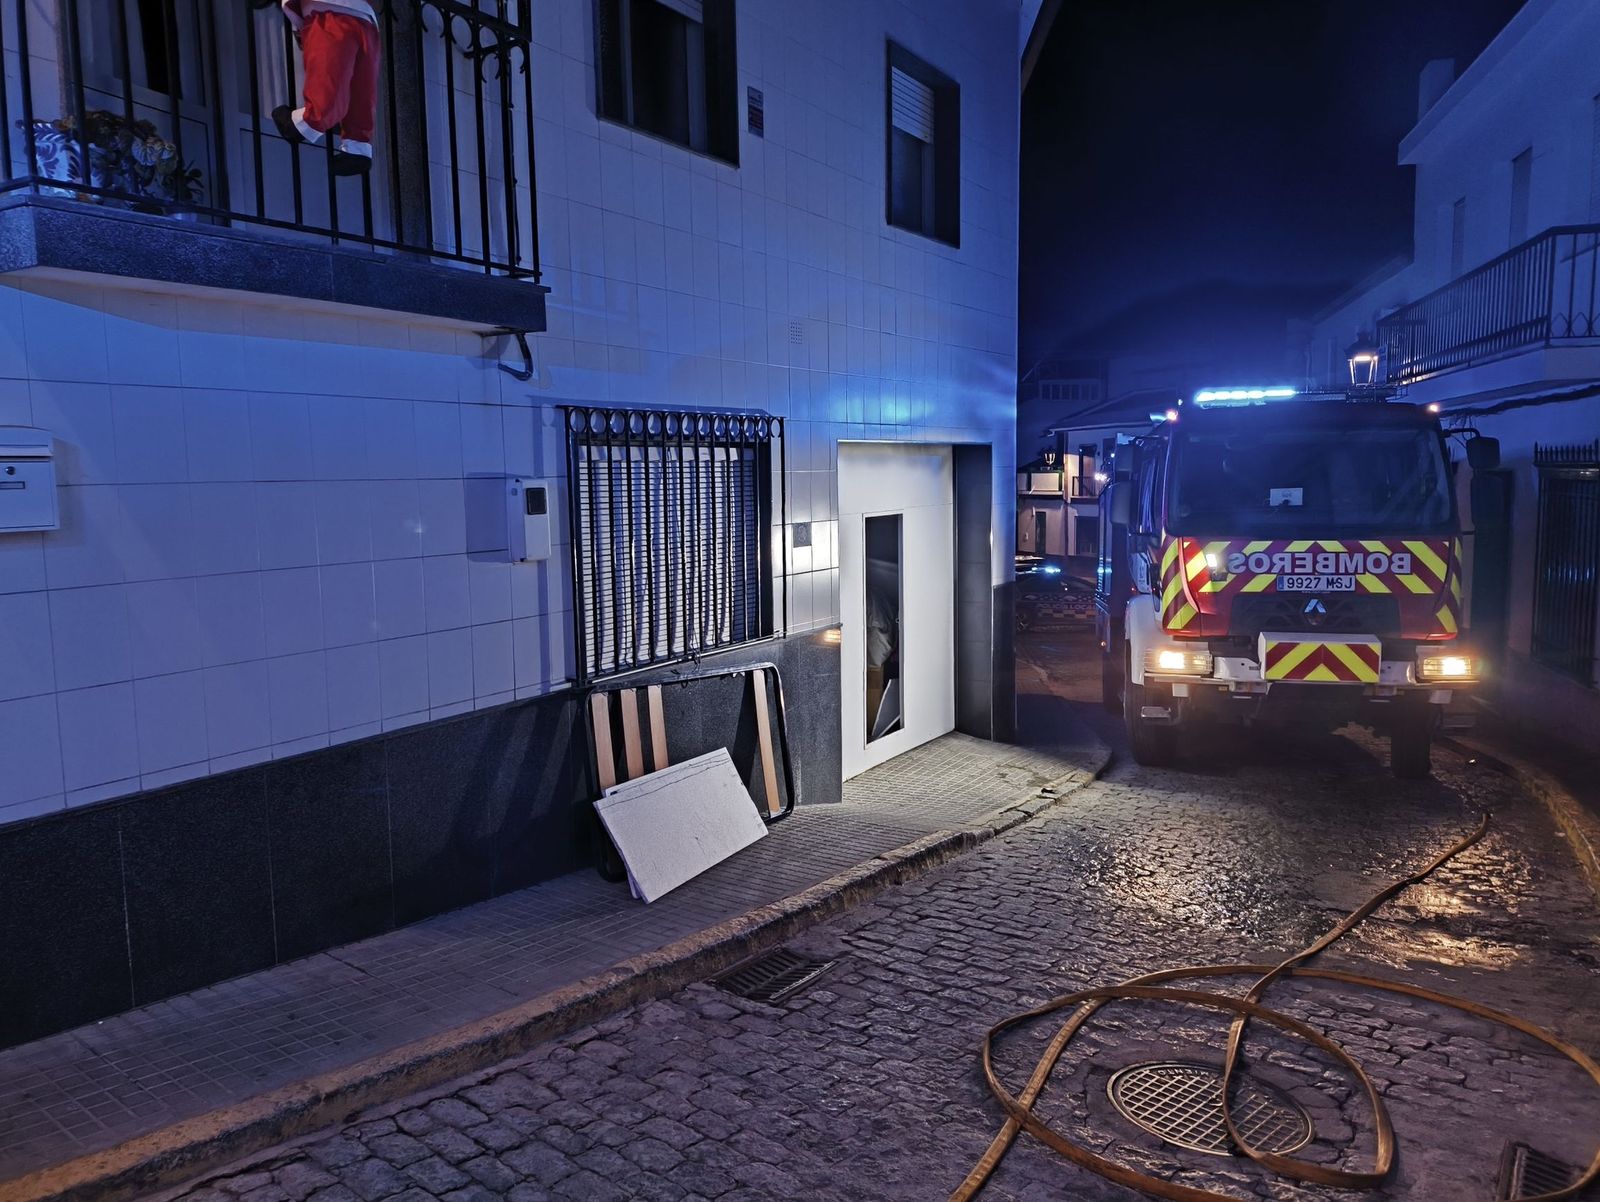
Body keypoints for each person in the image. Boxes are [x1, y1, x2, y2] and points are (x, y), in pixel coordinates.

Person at [272, 0, 379, 176]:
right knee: (337, 80)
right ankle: (308, 124)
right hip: (336, 11)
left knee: (358, 89)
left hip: (355, 16)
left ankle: (357, 147)